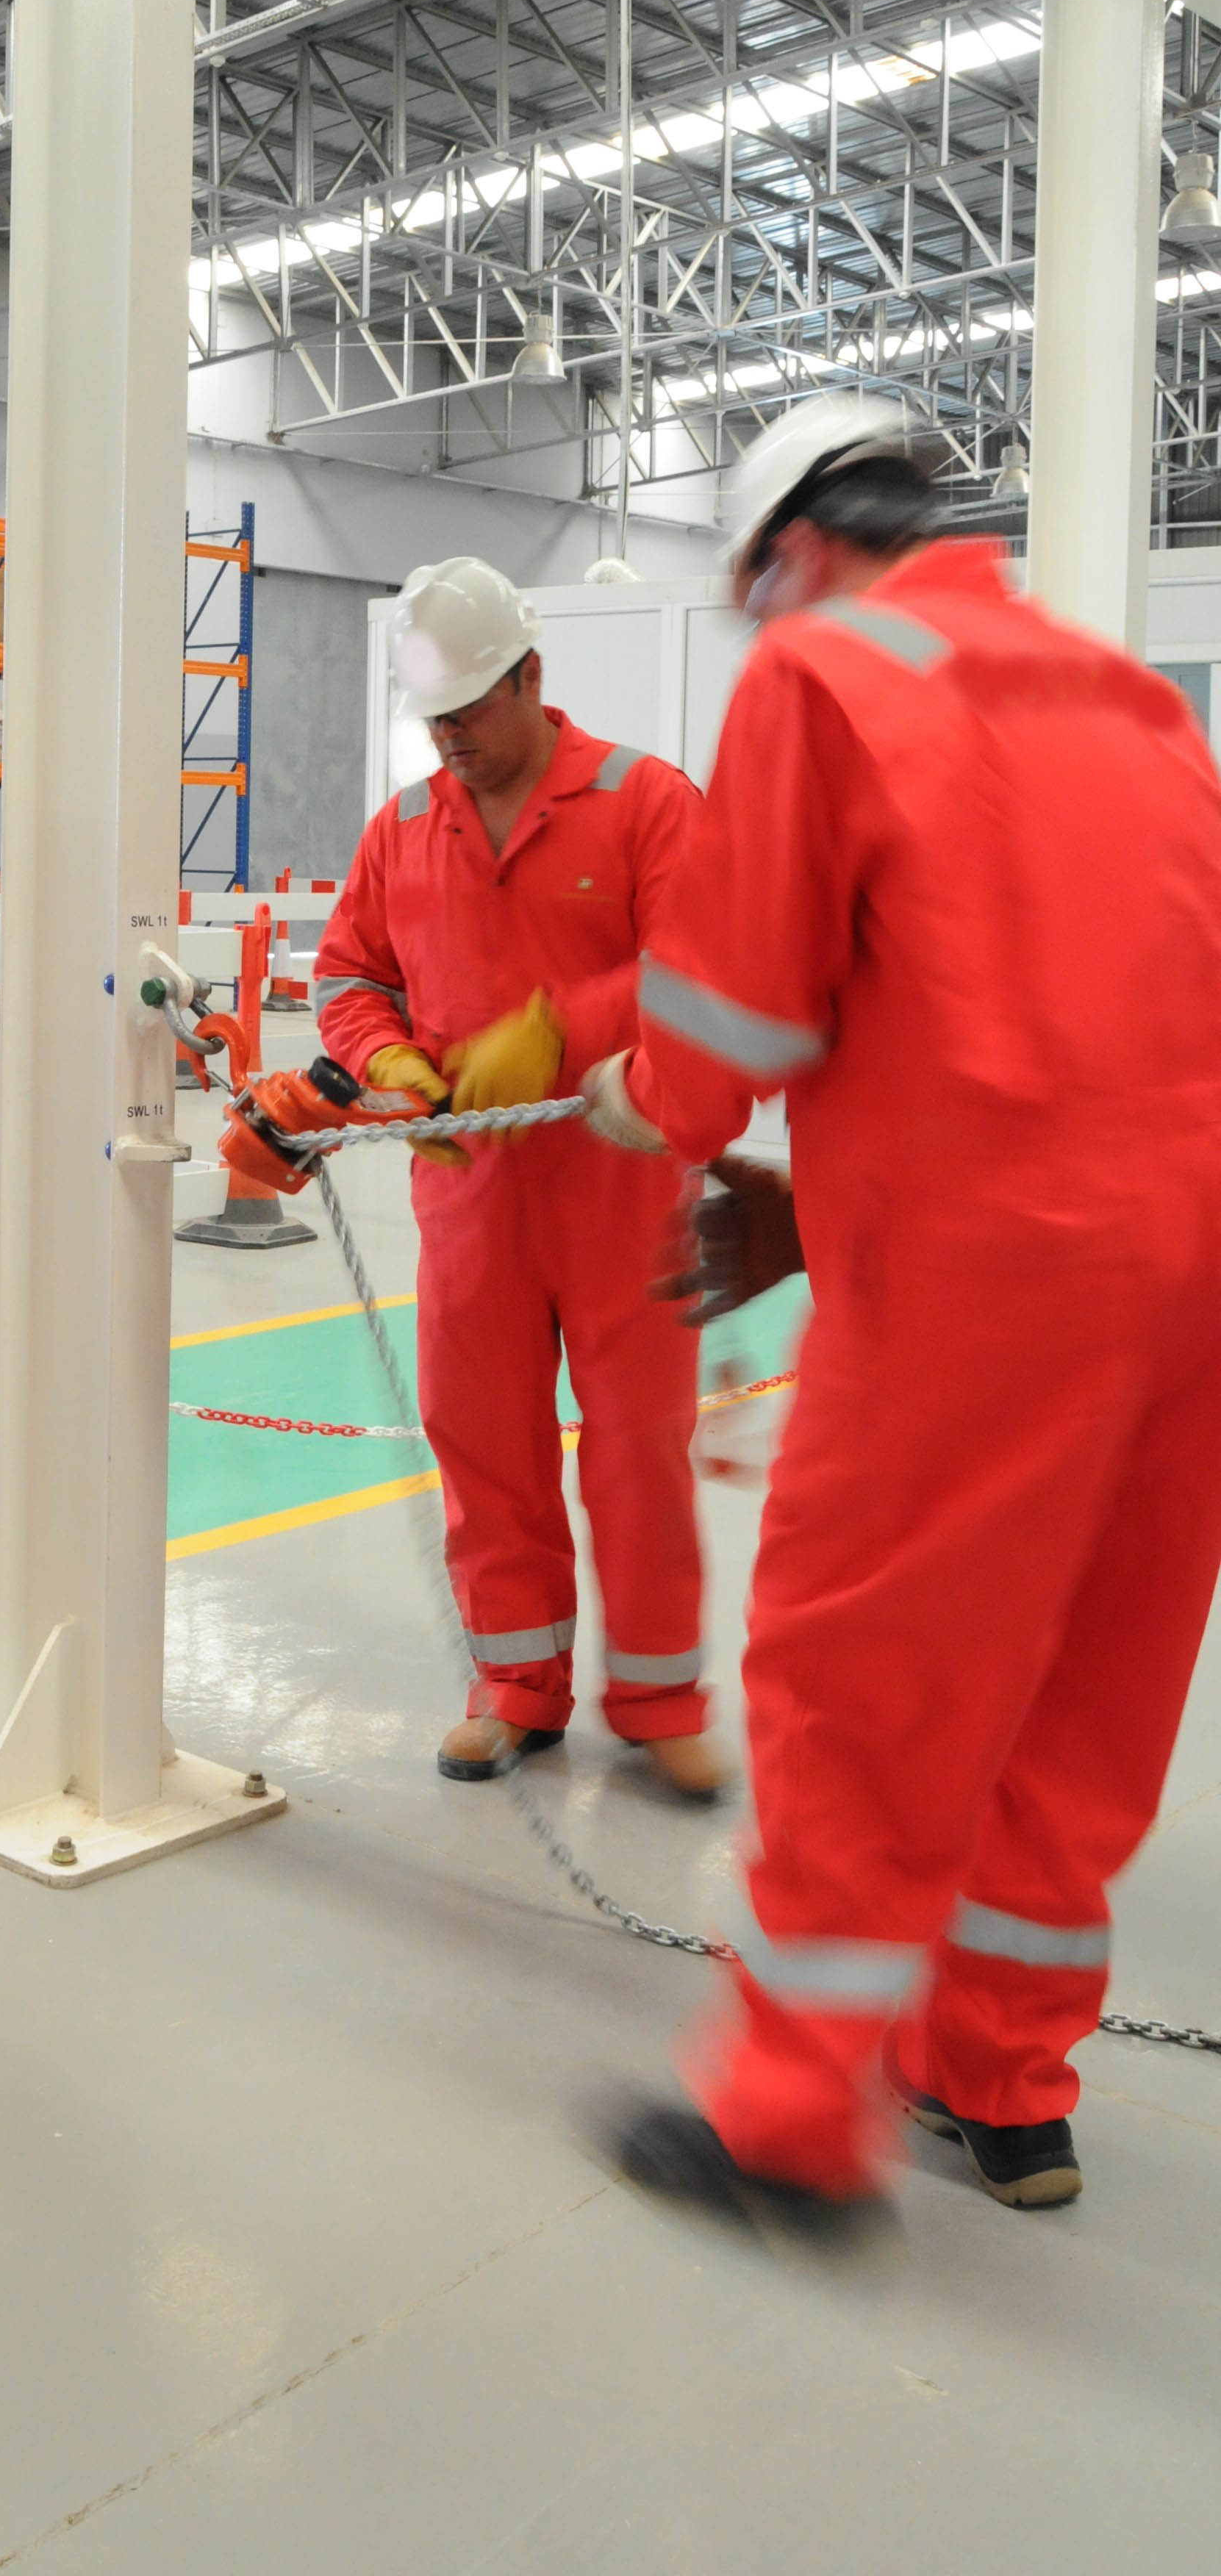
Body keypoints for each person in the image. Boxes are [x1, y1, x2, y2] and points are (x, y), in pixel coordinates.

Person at [584, 390, 1221, 2228]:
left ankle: (789, 2115)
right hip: (1189, 1269)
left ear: (792, 550)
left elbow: (736, 1011)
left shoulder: (825, 673)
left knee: (863, 1679)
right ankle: (1002, 2080)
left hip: (981, 1284)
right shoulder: (1125, 696)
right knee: (1084, 1692)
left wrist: (647, 1097)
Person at [308, 557, 721, 1799]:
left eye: (469, 713)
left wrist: (558, 1029)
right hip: (471, 1197)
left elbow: (707, 966)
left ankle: (660, 1698)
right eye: (432, 719)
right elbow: (348, 975)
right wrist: (389, 1063)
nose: (450, 741)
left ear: (531, 678)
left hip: (623, 1186)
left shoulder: (646, 802)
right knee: (485, 1447)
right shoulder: (403, 828)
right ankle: (515, 1687)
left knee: (638, 1452)